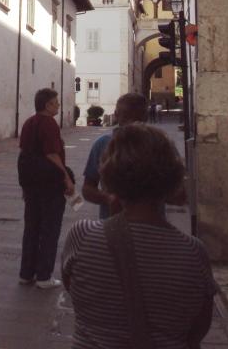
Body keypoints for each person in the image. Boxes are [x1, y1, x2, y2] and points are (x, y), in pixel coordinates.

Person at [62, 124, 216, 349]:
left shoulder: (81, 236)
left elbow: (73, 290)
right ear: (172, 178)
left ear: (109, 175)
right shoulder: (193, 253)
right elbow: (197, 330)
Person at [18, 88, 75, 289]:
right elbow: (52, 154)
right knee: (50, 228)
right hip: (49, 183)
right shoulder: (49, 124)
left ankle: (26, 273)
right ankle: (44, 276)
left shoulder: (28, 122)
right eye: (56, 102)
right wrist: (66, 178)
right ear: (47, 105)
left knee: (31, 228)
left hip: (31, 182)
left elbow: (24, 151)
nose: (58, 105)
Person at [82, 93, 148, 219]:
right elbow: (87, 189)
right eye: (127, 116)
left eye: (136, 118)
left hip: (116, 225)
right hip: (147, 226)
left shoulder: (159, 144)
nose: (131, 124)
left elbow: (88, 188)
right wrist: (108, 198)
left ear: (116, 115)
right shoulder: (102, 144)